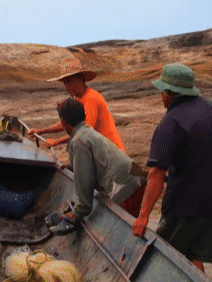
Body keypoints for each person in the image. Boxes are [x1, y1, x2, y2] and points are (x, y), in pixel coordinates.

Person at [133, 63, 212, 274]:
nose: (161, 96)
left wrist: (143, 216)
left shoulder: (170, 123)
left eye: (162, 91)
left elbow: (157, 174)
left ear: (169, 93)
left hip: (185, 205)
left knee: (166, 259)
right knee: (194, 255)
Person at [46, 97, 147, 235]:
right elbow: (93, 160)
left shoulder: (78, 141)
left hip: (124, 188)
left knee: (123, 232)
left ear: (63, 122)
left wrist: (76, 214)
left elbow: (85, 182)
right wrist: (72, 165)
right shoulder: (88, 132)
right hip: (136, 179)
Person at [28, 57, 125, 151]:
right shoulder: (78, 99)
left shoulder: (91, 98)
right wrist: (40, 131)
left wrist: (57, 141)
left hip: (112, 152)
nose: (67, 86)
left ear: (81, 79)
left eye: (69, 81)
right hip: (100, 151)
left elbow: (85, 132)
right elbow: (67, 122)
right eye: (64, 82)